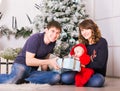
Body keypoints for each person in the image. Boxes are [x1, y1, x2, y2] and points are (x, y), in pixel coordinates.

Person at [0, 20, 62, 85]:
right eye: (53, 31)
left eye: (58, 33)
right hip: (21, 65)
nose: (55, 35)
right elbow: (29, 61)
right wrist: (50, 61)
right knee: (12, 80)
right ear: (46, 30)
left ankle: (22, 80)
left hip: (33, 71)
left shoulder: (52, 42)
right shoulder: (36, 38)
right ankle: (19, 79)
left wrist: (45, 74)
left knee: (56, 77)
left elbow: (45, 59)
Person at [61, 19, 108, 87]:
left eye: (87, 29)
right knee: (65, 78)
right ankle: (81, 81)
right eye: (82, 30)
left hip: (96, 73)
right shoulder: (83, 44)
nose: (84, 32)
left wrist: (83, 64)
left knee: (98, 81)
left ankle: (79, 82)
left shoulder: (102, 42)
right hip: (81, 71)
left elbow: (100, 64)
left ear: (93, 29)